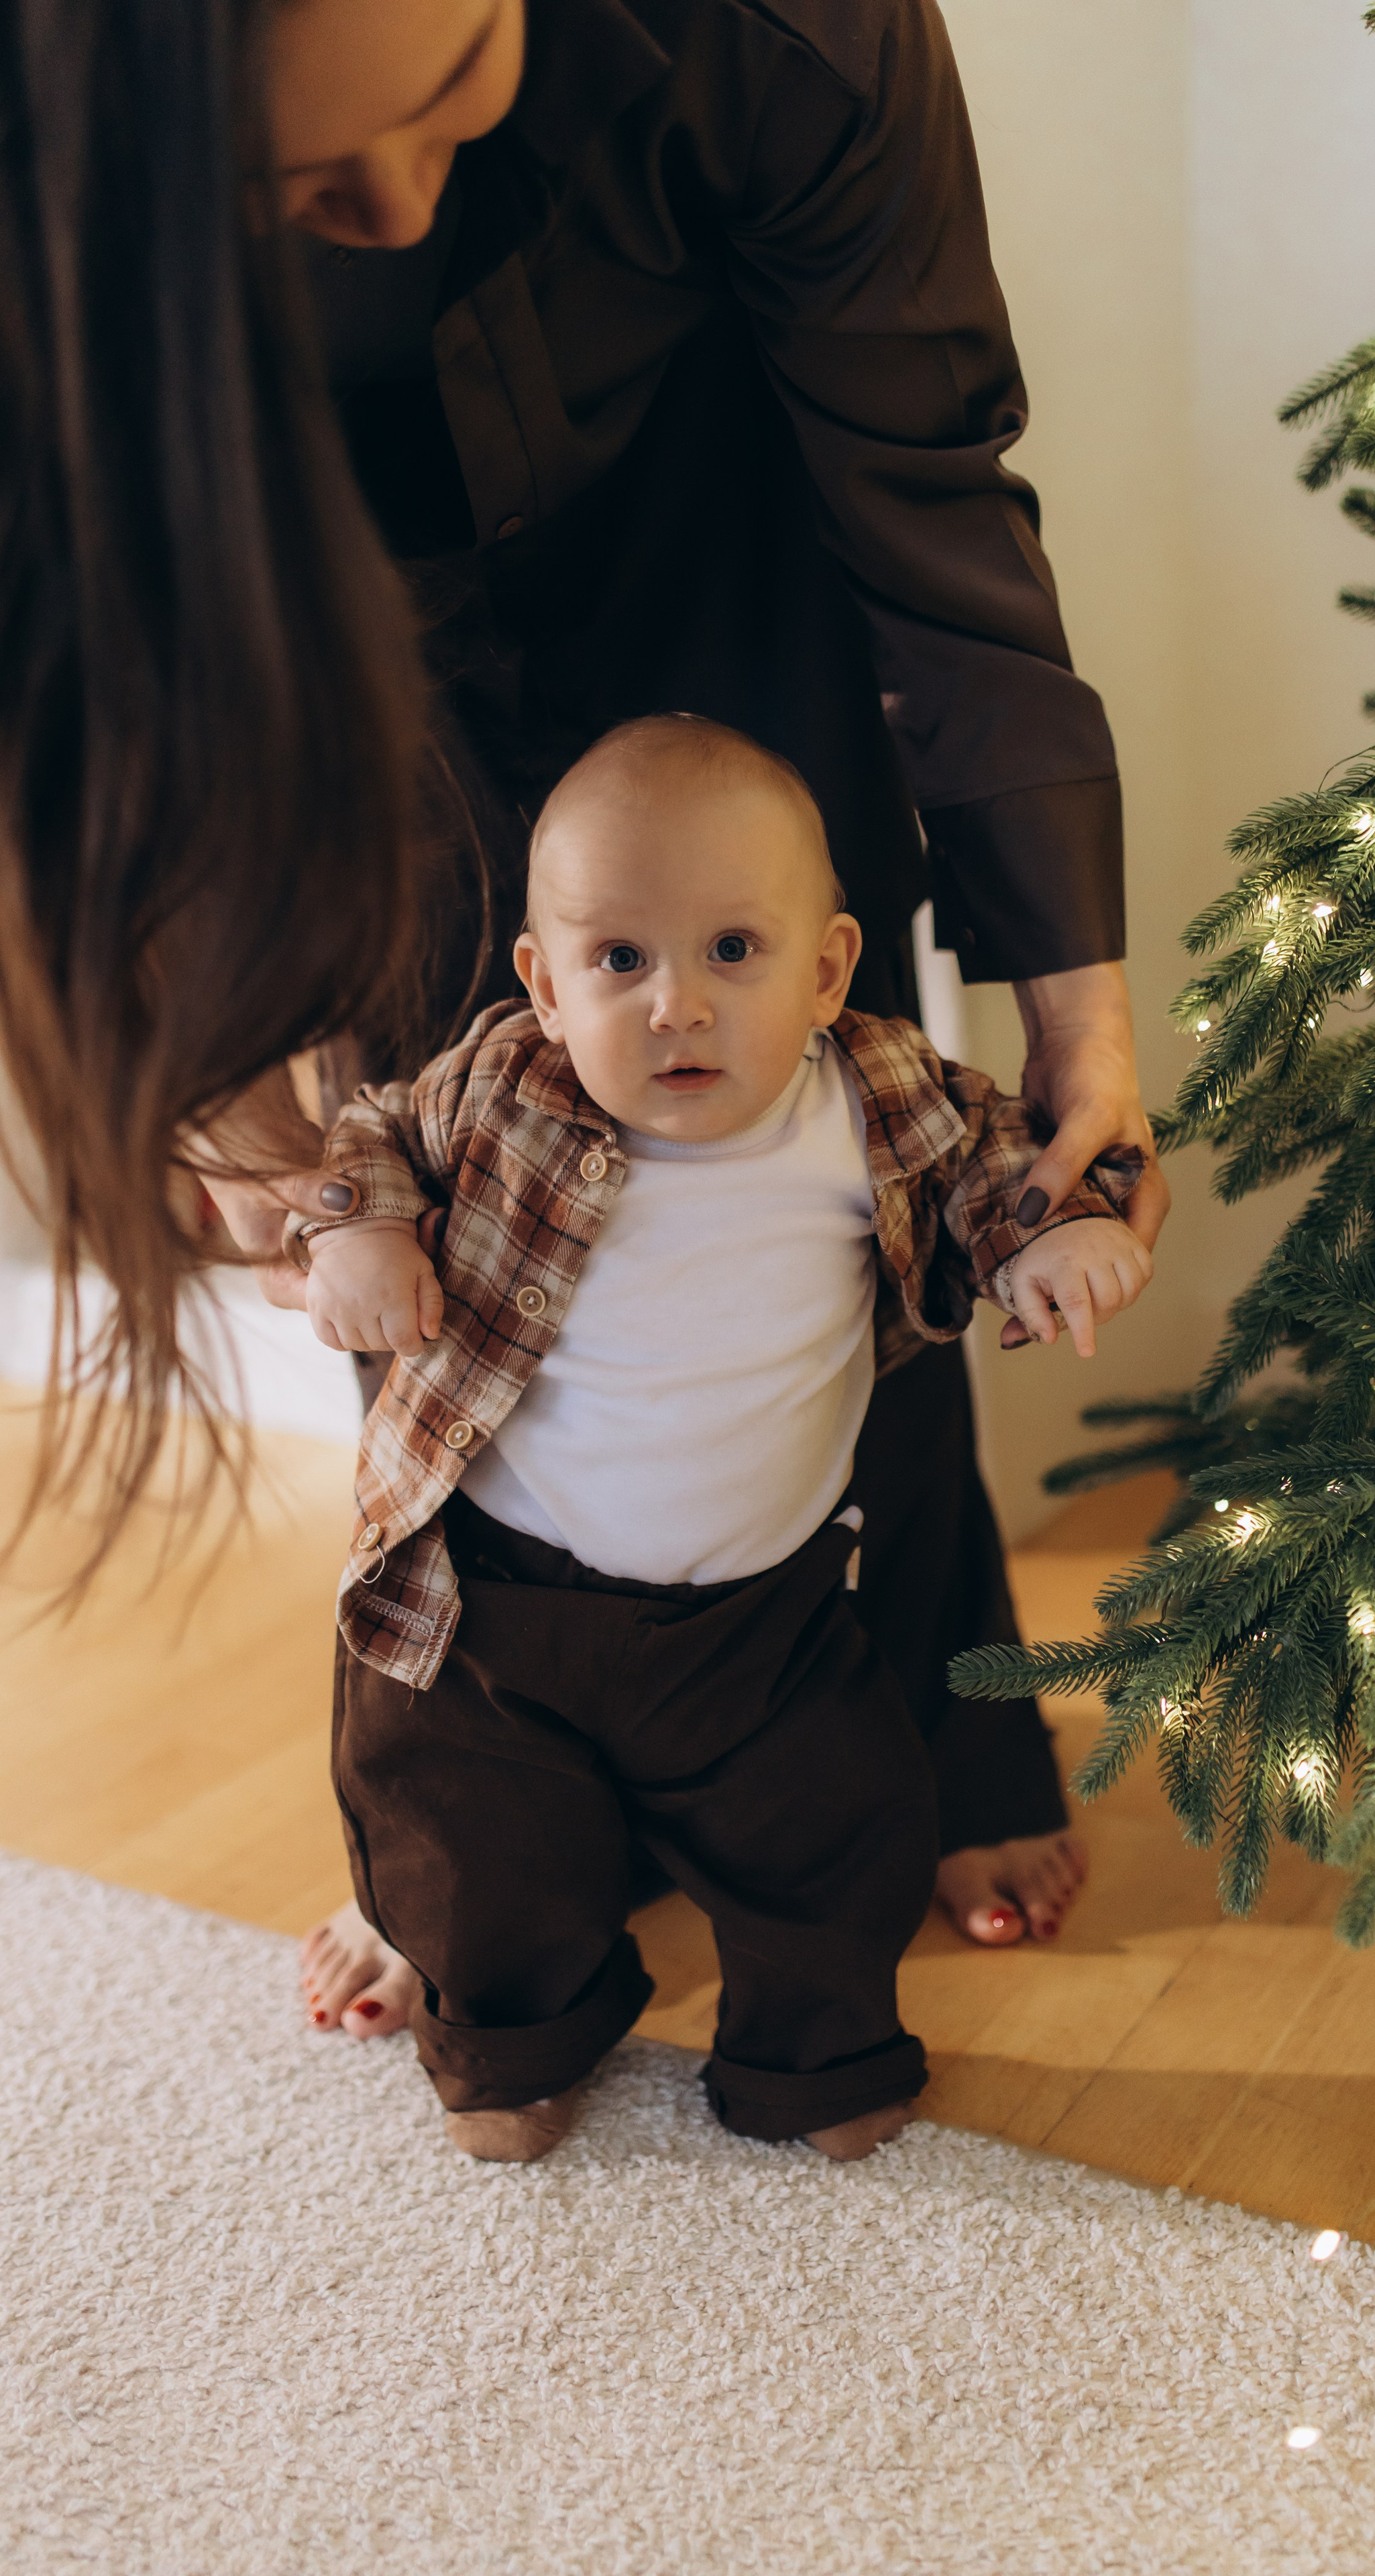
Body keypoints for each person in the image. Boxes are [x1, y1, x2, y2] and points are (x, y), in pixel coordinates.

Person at [267, 0, 1170, 2037]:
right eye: (305, 177)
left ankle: (930, 1748)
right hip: (326, 599)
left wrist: (1082, 1027)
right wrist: (240, 1099)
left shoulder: (800, 29)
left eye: (439, 109)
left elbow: (934, 493)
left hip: (716, 516)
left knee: (845, 1169)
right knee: (429, 1250)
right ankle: (480, 1832)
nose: (399, 207)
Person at [296, 716, 1148, 2163]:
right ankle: (509, 2050)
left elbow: (998, 1174)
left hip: (762, 1622)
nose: (675, 1007)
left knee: (836, 1831)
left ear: (826, 969)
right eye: (617, 961)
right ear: (544, 986)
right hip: (498, 1609)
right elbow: (374, 1128)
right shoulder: (501, 1084)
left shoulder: (873, 1097)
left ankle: (814, 2064)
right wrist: (360, 1226)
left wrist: (1049, 1244)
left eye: (732, 953)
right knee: (469, 1845)